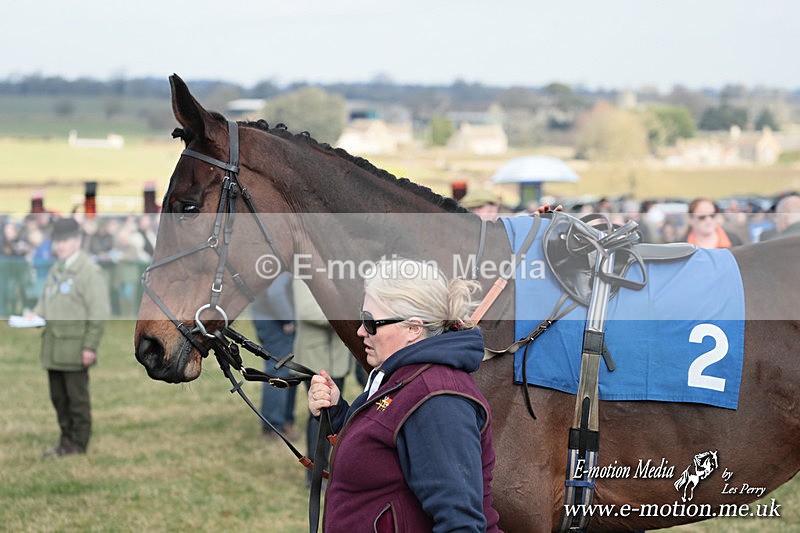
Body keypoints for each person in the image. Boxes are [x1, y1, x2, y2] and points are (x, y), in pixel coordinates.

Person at [307, 259, 501, 532]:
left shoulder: (438, 400)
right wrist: (338, 413)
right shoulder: (405, 378)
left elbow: (461, 523)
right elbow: (383, 456)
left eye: (370, 322)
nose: (361, 331)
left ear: (413, 328)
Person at [32, 218, 110, 457]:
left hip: (75, 349)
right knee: (59, 399)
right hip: (54, 349)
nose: (60, 245)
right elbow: (45, 304)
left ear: (77, 240)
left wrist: (90, 347)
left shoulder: (88, 272)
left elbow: (99, 313)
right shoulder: (57, 269)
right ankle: (65, 441)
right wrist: (32, 316)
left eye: (65, 240)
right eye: (57, 241)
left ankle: (79, 444)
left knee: (77, 401)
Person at [292, 279, 351, 486]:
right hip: (314, 359)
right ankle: (315, 472)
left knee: (335, 417)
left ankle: (330, 468)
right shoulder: (303, 274)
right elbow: (307, 310)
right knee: (318, 417)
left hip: (338, 359)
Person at [251, 272, 298, 441]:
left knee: (283, 370)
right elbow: (275, 292)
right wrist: (288, 320)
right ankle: (273, 426)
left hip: (265, 318)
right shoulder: (281, 263)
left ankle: (283, 422)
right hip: (275, 324)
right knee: (278, 372)